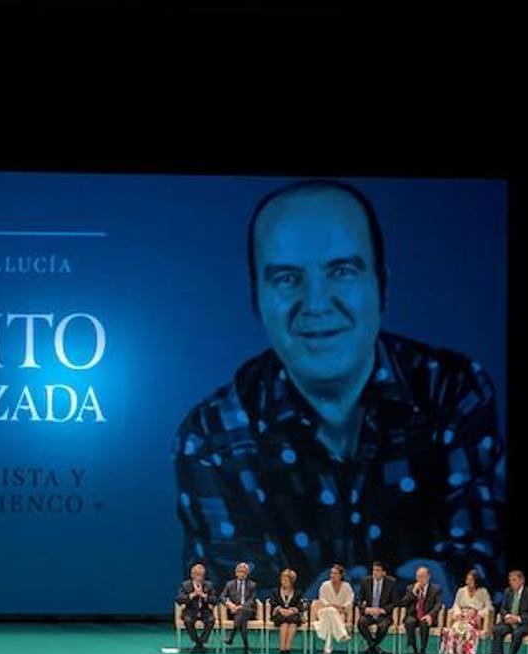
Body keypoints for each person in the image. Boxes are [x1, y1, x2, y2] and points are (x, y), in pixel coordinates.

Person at [173, 179, 506, 593]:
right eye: (286, 278)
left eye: (342, 272)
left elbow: (483, 563)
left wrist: (410, 592)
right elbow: (229, 592)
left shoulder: (453, 391)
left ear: (381, 286)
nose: (315, 303)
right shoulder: (213, 435)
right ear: (255, 297)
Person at [491, 570, 528, 654]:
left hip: (523, 624)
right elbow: (503, 608)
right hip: (509, 622)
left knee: (517, 633)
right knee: (497, 629)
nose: (511, 582)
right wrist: (507, 616)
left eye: (514, 580)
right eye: (510, 580)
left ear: (522, 581)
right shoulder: (507, 591)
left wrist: (518, 619)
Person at [442, 569, 490, 654]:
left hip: (474, 618)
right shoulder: (461, 591)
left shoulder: (483, 592)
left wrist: (477, 613)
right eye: (467, 580)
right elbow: (456, 605)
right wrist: (458, 613)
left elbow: (489, 608)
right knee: (454, 628)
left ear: (476, 581)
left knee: (468, 629)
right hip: (462, 616)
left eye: (471, 580)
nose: (468, 582)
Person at [355, 561, 397, 654]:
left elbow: (395, 602)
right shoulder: (365, 581)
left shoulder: (391, 582)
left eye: (378, 570)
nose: (375, 573)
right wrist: (365, 609)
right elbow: (358, 600)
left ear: (384, 573)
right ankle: (374, 646)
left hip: (383, 614)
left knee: (383, 627)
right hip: (369, 613)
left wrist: (383, 610)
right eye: (373, 570)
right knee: (361, 623)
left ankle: (371, 647)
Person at [313, 563, 354, 654]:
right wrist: (332, 606)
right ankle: (342, 633)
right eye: (331, 573)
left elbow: (350, 599)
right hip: (324, 612)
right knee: (331, 610)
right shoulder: (324, 585)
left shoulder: (346, 586)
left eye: (335, 573)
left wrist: (343, 607)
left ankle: (327, 649)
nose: (332, 575)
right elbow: (322, 599)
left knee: (331, 620)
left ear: (341, 575)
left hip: (340, 614)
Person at [403, 565, 442, 654]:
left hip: (427, 616)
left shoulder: (436, 589)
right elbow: (404, 603)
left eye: (422, 577)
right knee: (409, 622)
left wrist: (430, 615)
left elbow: (438, 605)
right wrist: (413, 592)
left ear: (428, 577)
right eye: (418, 577)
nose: (420, 579)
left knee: (424, 623)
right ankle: (414, 650)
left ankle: (423, 650)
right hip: (414, 615)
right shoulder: (411, 588)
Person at [175, 563, 216, 654]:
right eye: (198, 575)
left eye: (202, 575)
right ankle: (199, 643)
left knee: (211, 620)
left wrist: (204, 596)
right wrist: (192, 595)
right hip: (190, 611)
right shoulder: (185, 585)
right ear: (192, 575)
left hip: (204, 611)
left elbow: (214, 600)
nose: (200, 578)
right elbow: (178, 599)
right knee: (188, 620)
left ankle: (199, 643)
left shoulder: (209, 585)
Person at [220, 562, 258, 654]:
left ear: (247, 573)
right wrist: (230, 605)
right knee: (242, 621)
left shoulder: (252, 585)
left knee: (243, 611)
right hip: (233, 611)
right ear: (235, 573)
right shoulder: (229, 584)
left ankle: (232, 636)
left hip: (249, 611)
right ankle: (246, 648)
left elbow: (252, 600)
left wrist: (241, 606)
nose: (241, 574)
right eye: (239, 572)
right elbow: (222, 597)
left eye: (244, 572)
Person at [269, 568, 305, 654]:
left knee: (292, 623)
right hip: (279, 614)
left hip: (292, 615)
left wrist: (291, 610)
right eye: (282, 579)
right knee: (284, 623)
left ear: (291, 581)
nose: (283, 581)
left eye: (286, 580)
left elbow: (300, 605)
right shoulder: (275, 591)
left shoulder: (297, 592)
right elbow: (273, 602)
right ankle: (282, 649)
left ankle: (288, 649)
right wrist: (281, 609)